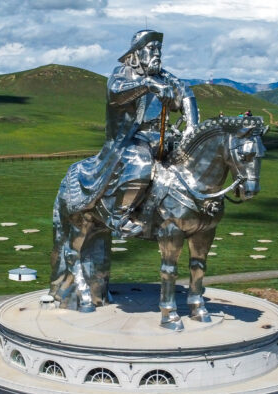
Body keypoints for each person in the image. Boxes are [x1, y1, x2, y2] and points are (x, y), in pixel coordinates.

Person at [73, 30, 199, 238]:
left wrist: (192, 128)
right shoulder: (122, 74)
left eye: (159, 49)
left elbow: (185, 92)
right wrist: (147, 85)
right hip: (131, 139)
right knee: (141, 163)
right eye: (151, 49)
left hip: (164, 138)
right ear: (137, 53)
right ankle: (120, 216)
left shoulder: (164, 76)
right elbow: (116, 94)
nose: (157, 53)